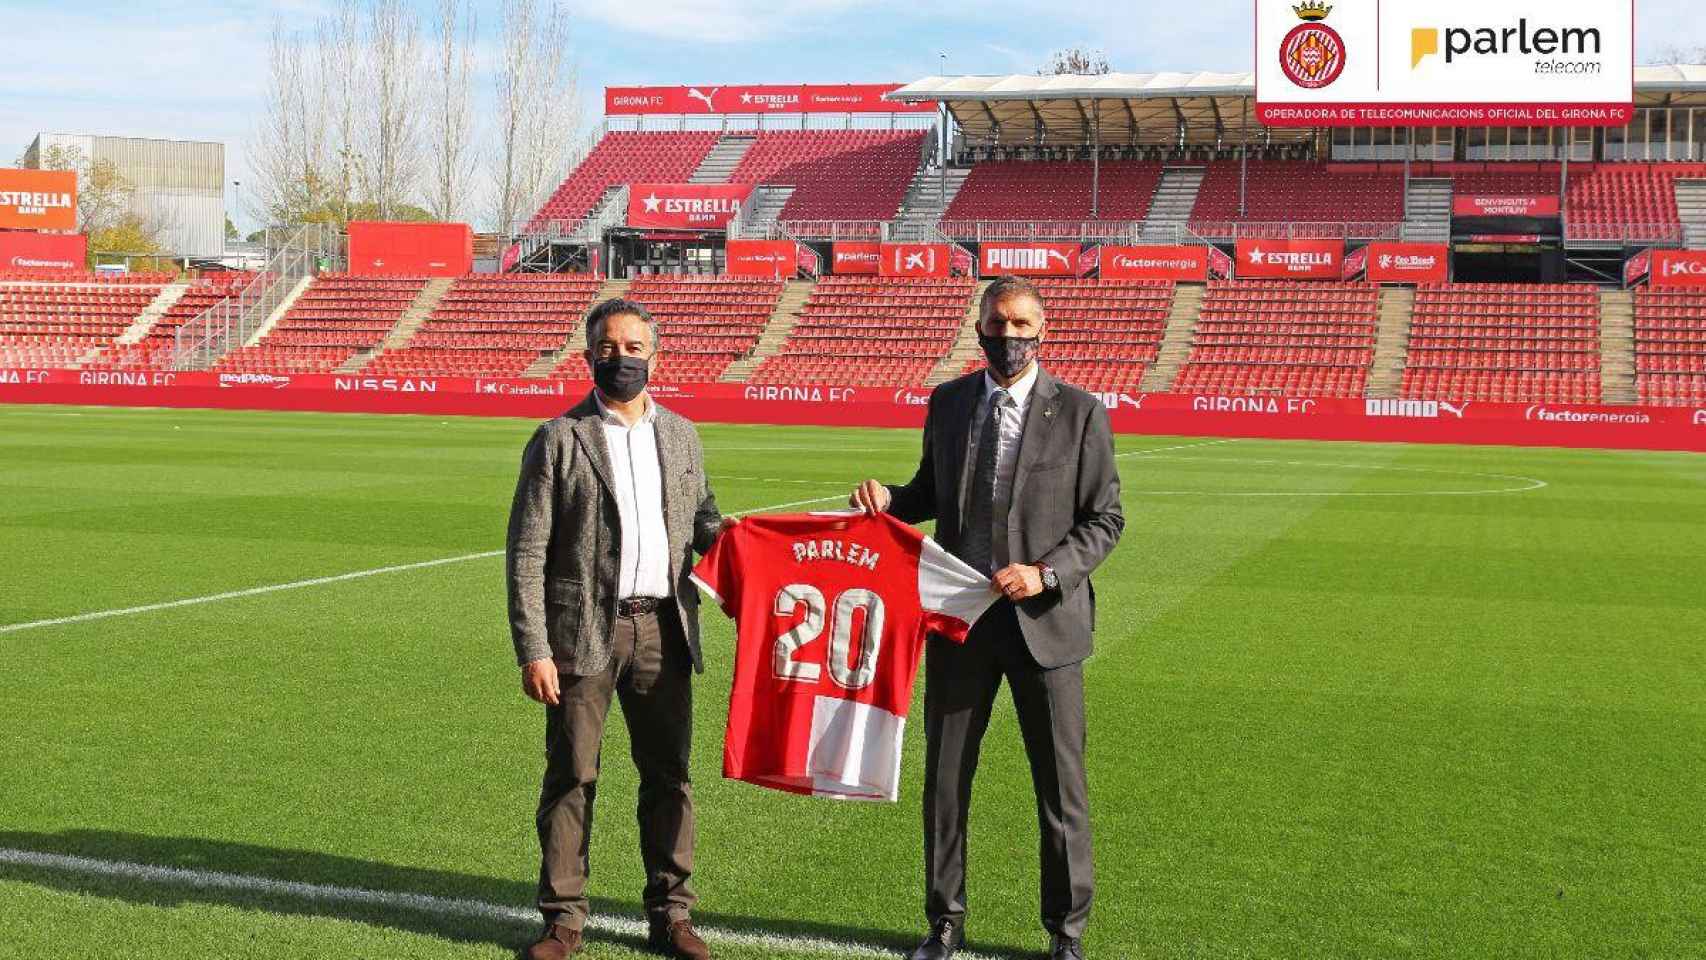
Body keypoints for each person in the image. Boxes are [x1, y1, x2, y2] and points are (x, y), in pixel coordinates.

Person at [850, 275, 1125, 960]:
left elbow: (1106, 519)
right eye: (997, 324)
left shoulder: (1083, 412)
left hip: (1046, 625)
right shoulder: (947, 403)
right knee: (945, 782)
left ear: (1043, 329)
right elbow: (928, 494)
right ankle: (944, 923)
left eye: (1021, 325)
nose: (1009, 337)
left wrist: (1046, 571)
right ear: (979, 327)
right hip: (960, 620)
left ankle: (1066, 933)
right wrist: (890, 498)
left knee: (1060, 790)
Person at [506, 298, 728, 960]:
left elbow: (706, 520)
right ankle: (564, 919)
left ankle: (671, 914)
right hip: (583, 632)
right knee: (572, 775)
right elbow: (526, 553)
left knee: (670, 776)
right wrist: (534, 649)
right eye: (608, 347)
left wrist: (747, 554)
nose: (621, 357)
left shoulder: (683, 435)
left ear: (655, 356)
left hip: (665, 625)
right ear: (588, 356)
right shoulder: (559, 438)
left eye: (634, 347)